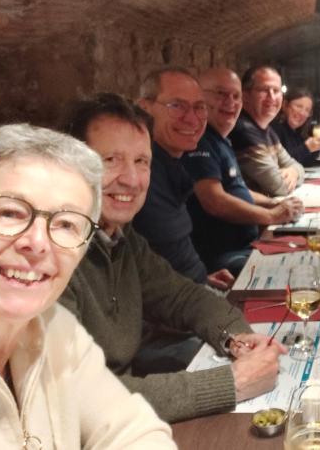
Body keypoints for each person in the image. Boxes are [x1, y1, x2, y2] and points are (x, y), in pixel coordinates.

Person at [0, 123, 174, 447]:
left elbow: (133, 430)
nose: (38, 243)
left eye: (66, 223)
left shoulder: (56, 330)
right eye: (9, 213)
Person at [61, 93, 286, 423]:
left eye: (142, 161)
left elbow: (183, 297)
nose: (131, 179)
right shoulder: (50, 258)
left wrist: (236, 336)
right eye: (110, 160)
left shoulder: (121, 238)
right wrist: (233, 383)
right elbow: (77, 399)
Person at [185, 68, 303, 276]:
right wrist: (271, 215)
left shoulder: (221, 138)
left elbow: (235, 190)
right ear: (199, 97)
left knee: (308, 255)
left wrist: (273, 203)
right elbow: (214, 200)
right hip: (222, 256)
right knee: (299, 269)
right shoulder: (200, 141)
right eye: (221, 94)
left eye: (235, 95)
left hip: (246, 244)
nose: (230, 102)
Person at [132, 66, 219, 284]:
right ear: (144, 108)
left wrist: (203, 278)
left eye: (199, 107)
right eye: (177, 106)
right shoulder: (141, 176)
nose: (192, 119)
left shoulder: (170, 164)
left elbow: (168, 256)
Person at [229, 65, 305, 197]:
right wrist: (294, 172)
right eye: (264, 90)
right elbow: (278, 186)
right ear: (245, 96)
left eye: (276, 90)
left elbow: (297, 166)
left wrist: (294, 171)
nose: (272, 97)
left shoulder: (266, 129)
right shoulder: (244, 130)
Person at [271, 87, 320, 166]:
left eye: (307, 110)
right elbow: (278, 163)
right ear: (285, 105)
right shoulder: (273, 129)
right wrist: (307, 148)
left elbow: (307, 163)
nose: (302, 113)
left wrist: (317, 144)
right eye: (299, 106)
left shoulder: (299, 132)